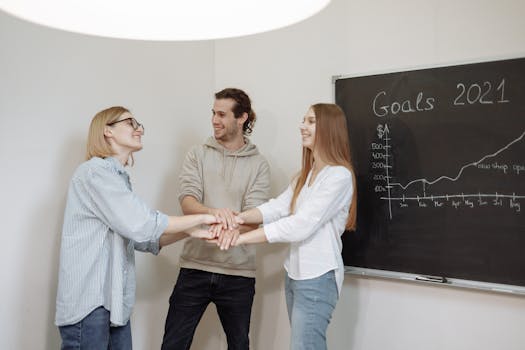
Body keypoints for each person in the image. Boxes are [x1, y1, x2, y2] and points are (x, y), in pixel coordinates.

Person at [55, 106, 220, 350]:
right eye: (131, 123)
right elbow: (142, 224)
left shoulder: (117, 178)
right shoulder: (94, 173)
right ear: (107, 131)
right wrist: (204, 216)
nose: (139, 129)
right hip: (89, 306)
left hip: (114, 305)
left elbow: (143, 239)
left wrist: (190, 232)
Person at [218, 103, 357, 350]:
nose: (302, 126)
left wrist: (240, 238)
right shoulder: (306, 174)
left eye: (311, 121)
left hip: (318, 277)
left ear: (329, 128)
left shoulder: (339, 176)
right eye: (304, 120)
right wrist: (237, 219)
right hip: (295, 274)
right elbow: (277, 207)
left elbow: (301, 225)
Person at [161, 88, 271, 350]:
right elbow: (188, 202)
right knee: (173, 344)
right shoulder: (197, 154)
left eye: (222, 114)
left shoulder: (259, 164)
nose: (214, 119)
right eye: (213, 113)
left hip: (238, 273)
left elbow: (254, 218)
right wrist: (215, 213)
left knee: (238, 346)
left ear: (242, 117)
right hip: (194, 268)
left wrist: (218, 222)